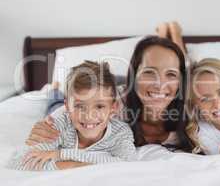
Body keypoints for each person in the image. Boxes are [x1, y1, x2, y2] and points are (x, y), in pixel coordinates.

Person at [25, 36, 195, 153]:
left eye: (171, 74)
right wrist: (46, 129)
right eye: (149, 72)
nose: (160, 84)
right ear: (134, 74)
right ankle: (54, 89)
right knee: (56, 101)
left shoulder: (191, 109)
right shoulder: (113, 102)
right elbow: (61, 118)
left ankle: (173, 34)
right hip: (121, 89)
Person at [8, 61, 136, 170]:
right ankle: (54, 89)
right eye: (80, 106)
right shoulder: (60, 126)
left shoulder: (121, 132)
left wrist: (61, 155)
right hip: (59, 110)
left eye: (99, 106)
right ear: (68, 107)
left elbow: (127, 163)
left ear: (113, 108)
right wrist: (85, 163)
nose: (89, 116)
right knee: (54, 104)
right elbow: (19, 162)